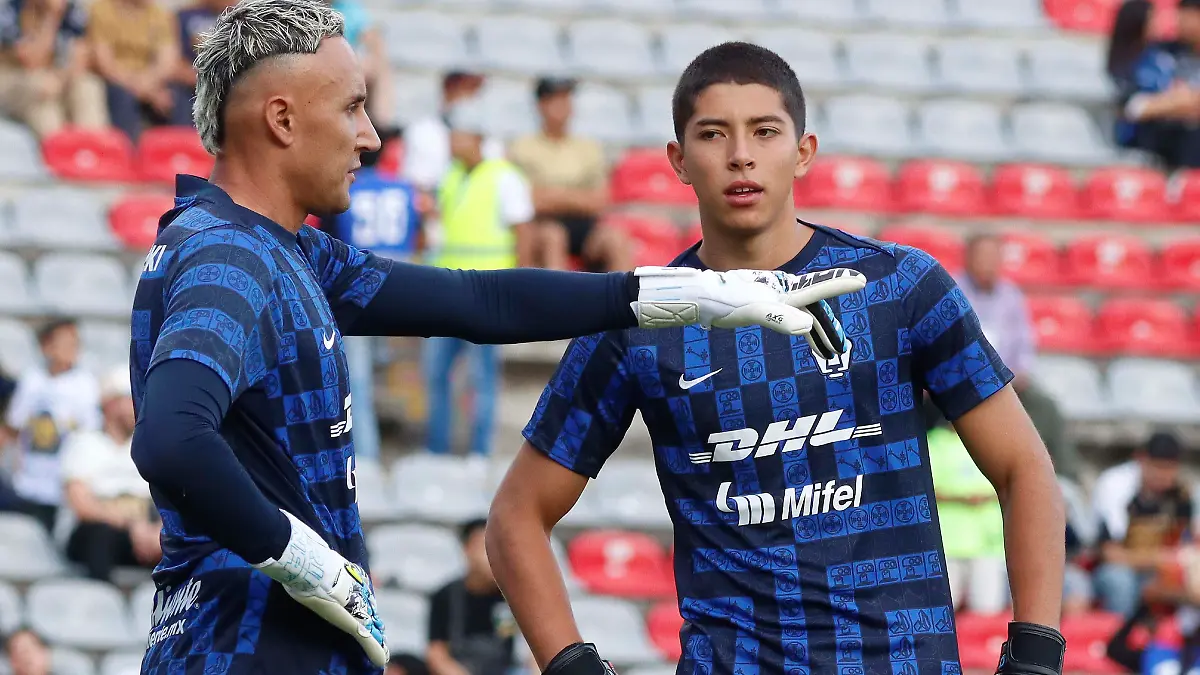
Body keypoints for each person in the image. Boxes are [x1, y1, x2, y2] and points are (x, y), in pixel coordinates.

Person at [127, 4, 862, 673]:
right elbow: (170, 437)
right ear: (282, 120)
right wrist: (300, 556)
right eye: (353, 107)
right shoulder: (230, 254)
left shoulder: (287, 250)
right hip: (244, 645)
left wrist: (688, 293)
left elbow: (476, 298)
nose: (371, 134)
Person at [486, 41, 1067, 675]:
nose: (741, 154)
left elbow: (1024, 468)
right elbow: (516, 517)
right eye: (714, 134)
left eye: (764, 131)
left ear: (803, 151)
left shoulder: (900, 287)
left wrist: (1035, 655)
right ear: (678, 161)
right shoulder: (640, 320)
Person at [423, 96, 536, 458]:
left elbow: (524, 233)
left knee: (482, 380)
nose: (451, 142)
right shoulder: (450, 176)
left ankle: (479, 453)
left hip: (489, 295)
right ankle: (437, 451)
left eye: (457, 135)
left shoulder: (505, 177)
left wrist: (519, 289)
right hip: (447, 293)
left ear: (474, 137)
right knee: (435, 375)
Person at [322, 126, 419, 461]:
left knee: (358, 379)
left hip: (358, 283)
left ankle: (366, 454)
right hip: (403, 283)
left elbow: (332, 242)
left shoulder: (348, 186)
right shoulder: (405, 188)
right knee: (396, 373)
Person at [956, 233, 1082, 482]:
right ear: (968, 258)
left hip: (1007, 381)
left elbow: (1023, 345)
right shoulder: (952, 289)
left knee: (1046, 406)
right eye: (983, 257)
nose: (988, 264)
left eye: (994, 257)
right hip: (961, 380)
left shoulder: (1010, 296)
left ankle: (1064, 476)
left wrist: (1016, 373)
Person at [508, 77, 632, 272]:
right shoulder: (523, 148)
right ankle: (558, 300)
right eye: (556, 100)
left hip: (584, 227)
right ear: (541, 105)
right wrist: (576, 197)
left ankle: (625, 299)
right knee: (553, 236)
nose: (563, 107)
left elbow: (600, 200)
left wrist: (554, 195)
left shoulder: (588, 148)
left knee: (616, 239)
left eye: (566, 99)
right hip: (542, 225)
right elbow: (527, 199)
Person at [61, 367, 161, 583]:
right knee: (100, 535)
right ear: (110, 404)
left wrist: (158, 531)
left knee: (181, 539)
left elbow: (167, 499)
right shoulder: (84, 443)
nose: (139, 406)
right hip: (97, 534)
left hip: (142, 535)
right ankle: (101, 602)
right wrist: (131, 526)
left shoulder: (150, 447)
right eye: (131, 399)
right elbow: (82, 506)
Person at [2, 317, 100, 532]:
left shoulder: (85, 385)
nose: (72, 349)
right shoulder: (31, 379)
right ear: (47, 346)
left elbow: (90, 435)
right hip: (28, 481)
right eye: (65, 342)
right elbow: (14, 426)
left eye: (75, 343)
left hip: (62, 484)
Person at [1093, 432, 1194, 616]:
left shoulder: (1180, 493)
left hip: (1158, 570)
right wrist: (1159, 559)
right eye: (1158, 467)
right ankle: (1119, 641)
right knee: (1120, 582)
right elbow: (1110, 555)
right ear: (1141, 460)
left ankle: (1176, 641)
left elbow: (1185, 545)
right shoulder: (1115, 486)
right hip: (1112, 569)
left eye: (1169, 469)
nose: (1163, 476)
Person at [0, 0, 107, 138]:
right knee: (45, 106)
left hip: (58, 78)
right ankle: (59, 149)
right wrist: (52, 17)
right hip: (20, 80)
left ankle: (93, 148)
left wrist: (60, 80)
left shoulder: (72, 11)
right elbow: (32, 60)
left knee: (88, 86)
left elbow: (82, 57)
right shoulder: (12, 9)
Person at [87, 0, 189, 141]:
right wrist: (142, 89)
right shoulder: (101, 10)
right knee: (123, 98)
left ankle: (180, 155)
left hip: (150, 83)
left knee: (177, 98)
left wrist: (148, 85)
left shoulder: (159, 14)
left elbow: (167, 62)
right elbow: (104, 64)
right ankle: (125, 156)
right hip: (116, 82)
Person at [1115, 0, 1200, 170]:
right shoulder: (1158, 53)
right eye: (1183, 11)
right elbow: (1135, 106)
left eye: (1195, 13)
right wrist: (1185, 103)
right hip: (1158, 145)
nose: (1185, 19)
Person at [427, 518, 516, 675]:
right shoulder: (445, 596)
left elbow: (517, 645)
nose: (492, 555)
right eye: (485, 547)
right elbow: (436, 653)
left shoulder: (509, 596)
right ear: (466, 549)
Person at [171, 0, 237, 127]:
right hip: (191, 85)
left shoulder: (242, 19)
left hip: (227, 84)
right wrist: (201, 78)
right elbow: (175, 60)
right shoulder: (185, 16)